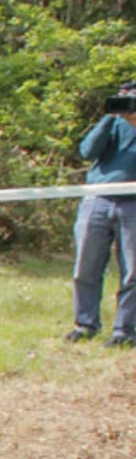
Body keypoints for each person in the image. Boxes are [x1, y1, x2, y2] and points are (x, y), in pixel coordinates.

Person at [66, 82, 136, 347]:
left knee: (132, 271)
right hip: (98, 198)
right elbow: (87, 151)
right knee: (86, 266)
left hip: (133, 203)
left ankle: (125, 330)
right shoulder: (113, 122)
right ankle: (85, 324)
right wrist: (110, 116)